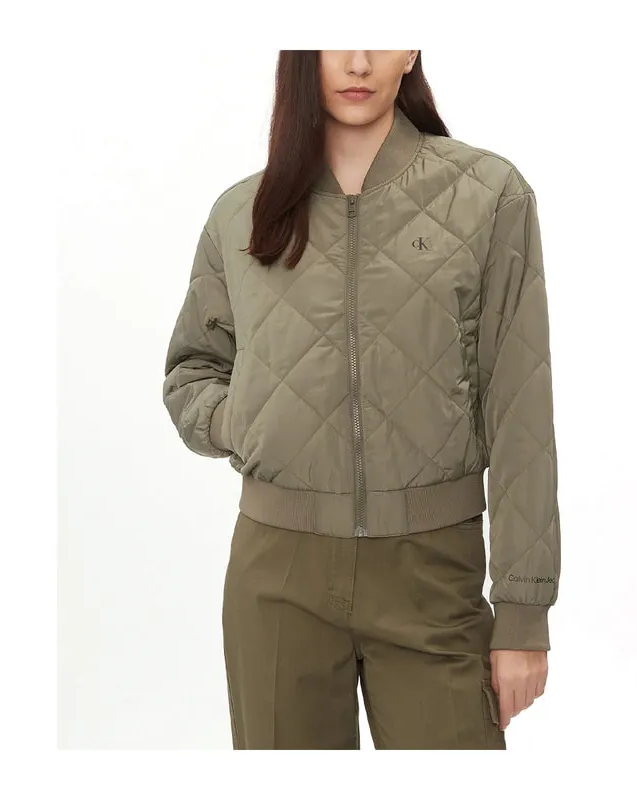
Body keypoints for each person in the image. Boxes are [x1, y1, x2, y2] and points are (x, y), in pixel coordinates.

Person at [162, 50, 561, 750]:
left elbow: (520, 411)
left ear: (411, 48)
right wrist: (244, 420)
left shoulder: (488, 195)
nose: (356, 60)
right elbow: (192, 370)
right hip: (276, 575)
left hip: (432, 574)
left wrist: (523, 612)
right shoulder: (242, 212)